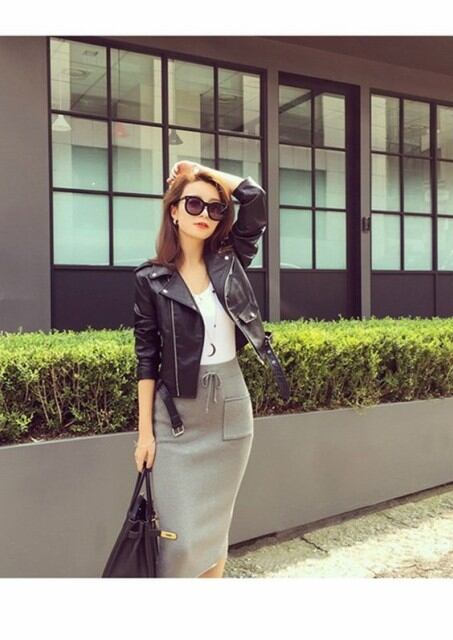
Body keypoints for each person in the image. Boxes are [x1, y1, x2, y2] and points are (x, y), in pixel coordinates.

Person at [132, 161, 287, 578]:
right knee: (179, 542)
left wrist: (201, 171)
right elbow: (146, 357)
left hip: (230, 410)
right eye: (194, 204)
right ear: (174, 211)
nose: (205, 214)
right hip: (176, 419)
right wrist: (145, 434)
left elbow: (254, 198)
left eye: (215, 208)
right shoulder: (151, 279)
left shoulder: (230, 260)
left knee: (215, 533)